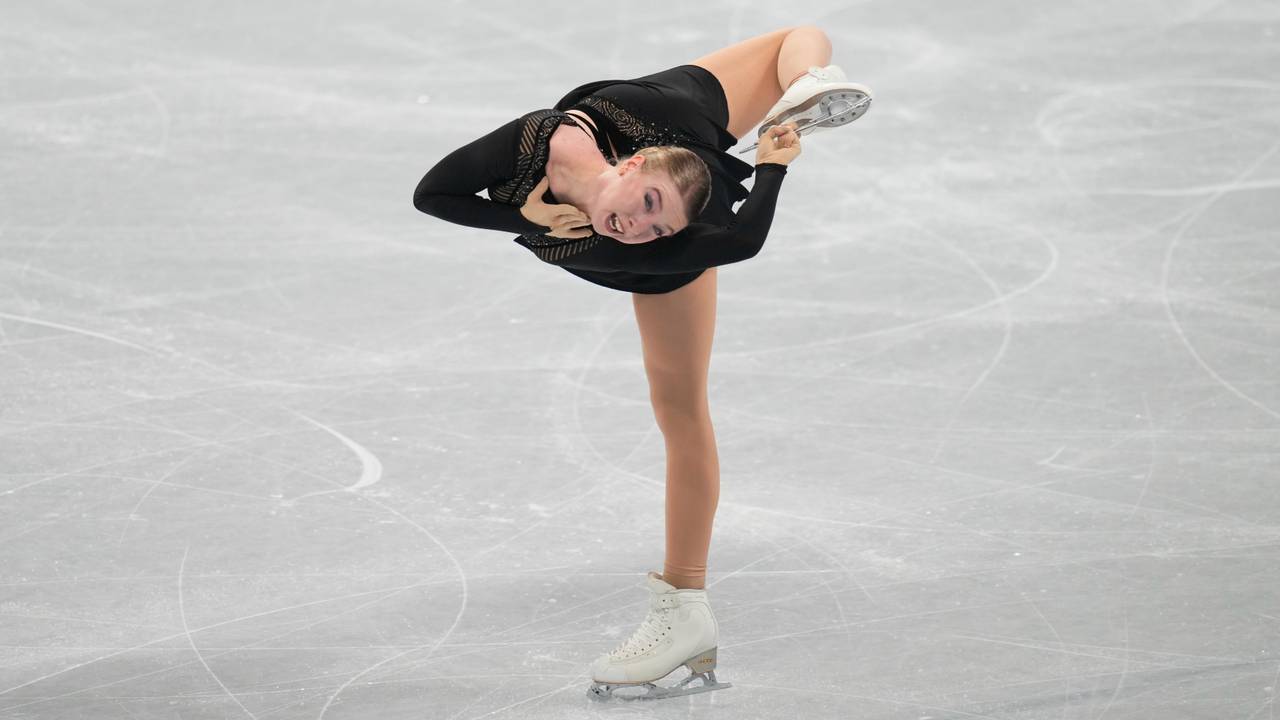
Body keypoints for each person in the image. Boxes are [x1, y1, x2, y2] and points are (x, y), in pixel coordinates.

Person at [412, 26, 872, 701]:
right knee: (777, 50)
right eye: (644, 209)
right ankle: (783, 103)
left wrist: (773, 163)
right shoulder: (544, 142)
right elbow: (432, 194)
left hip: (685, 230)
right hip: (660, 122)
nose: (634, 225)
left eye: (651, 222)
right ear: (631, 166)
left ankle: (684, 607)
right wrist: (535, 221)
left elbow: (739, 240)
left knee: (680, 410)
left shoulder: (652, 245)